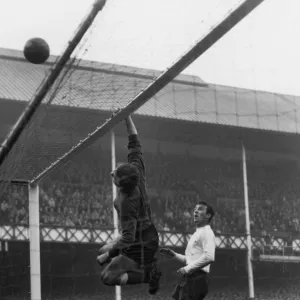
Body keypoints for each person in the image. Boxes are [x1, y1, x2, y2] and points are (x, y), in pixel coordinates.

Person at [96, 114, 161, 295]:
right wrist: (127, 116)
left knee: (107, 277)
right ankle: (143, 268)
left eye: (114, 175)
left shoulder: (127, 204)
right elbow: (134, 139)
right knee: (103, 249)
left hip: (141, 243)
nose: (112, 173)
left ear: (121, 186)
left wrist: (109, 255)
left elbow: (128, 238)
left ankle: (148, 275)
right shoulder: (136, 169)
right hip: (141, 233)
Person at [160, 201, 216, 300]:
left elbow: (209, 257)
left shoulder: (207, 232)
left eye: (200, 209)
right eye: (195, 209)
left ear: (208, 215)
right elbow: (191, 260)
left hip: (197, 278)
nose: (195, 211)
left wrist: (187, 269)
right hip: (191, 276)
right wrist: (175, 255)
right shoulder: (197, 233)